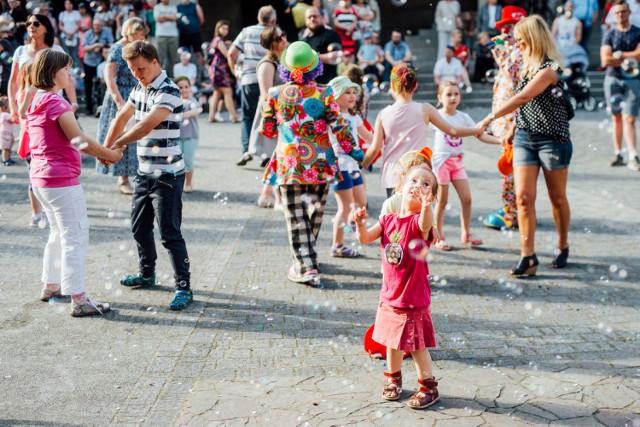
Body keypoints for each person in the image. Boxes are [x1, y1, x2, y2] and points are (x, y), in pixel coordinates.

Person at [477, 15, 574, 276]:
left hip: (552, 140)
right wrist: (511, 128)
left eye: (520, 40)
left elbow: (524, 96)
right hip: (524, 139)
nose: (517, 44)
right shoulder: (526, 66)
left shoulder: (550, 68)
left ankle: (563, 244)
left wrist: (490, 117)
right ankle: (528, 256)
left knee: (556, 198)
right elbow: (525, 106)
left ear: (533, 39)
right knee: (523, 198)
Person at [28, 49, 122, 317]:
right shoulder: (58, 104)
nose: (70, 74)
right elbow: (79, 140)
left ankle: (51, 284)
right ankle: (79, 298)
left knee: (57, 233)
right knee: (75, 236)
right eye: (66, 69)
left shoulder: (37, 101)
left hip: (42, 180)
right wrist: (110, 154)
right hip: (61, 181)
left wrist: (101, 154)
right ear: (52, 72)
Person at [261, 41, 362, 285]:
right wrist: (353, 151)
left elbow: (267, 130)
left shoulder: (275, 94)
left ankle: (305, 266)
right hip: (321, 163)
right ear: (315, 67)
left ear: (285, 68)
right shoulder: (325, 92)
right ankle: (307, 260)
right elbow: (340, 126)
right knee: (314, 213)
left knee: (296, 216)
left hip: (290, 163)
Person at [104, 40, 193, 310]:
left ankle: (184, 287)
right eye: (132, 70)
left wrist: (117, 146)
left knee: (169, 233)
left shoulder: (169, 90)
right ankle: (147, 274)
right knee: (139, 228)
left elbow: (144, 126)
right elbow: (121, 118)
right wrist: (106, 148)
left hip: (168, 174)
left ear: (155, 62)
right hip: (144, 173)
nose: (137, 74)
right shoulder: (139, 88)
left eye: (140, 69)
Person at [353, 164, 440, 410]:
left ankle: (428, 387)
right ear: (401, 187)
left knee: (416, 346)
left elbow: (425, 225)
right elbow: (365, 238)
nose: (419, 186)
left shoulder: (418, 223)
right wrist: (360, 224)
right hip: (390, 296)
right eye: (414, 180)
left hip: (412, 297)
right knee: (391, 342)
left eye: (426, 185)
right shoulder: (388, 220)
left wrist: (425, 207)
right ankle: (394, 379)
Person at [361, 64, 480, 197]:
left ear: (392, 86)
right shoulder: (426, 109)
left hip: (393, 176)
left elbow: (375, 148)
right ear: (415, 86)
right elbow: (453, 131)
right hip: (418, 176)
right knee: (417, 217)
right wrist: (477, 130)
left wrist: (363, 165)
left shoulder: (383, 114)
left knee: (396, 217)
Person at [8, 13, 79, 228]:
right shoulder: (20, 51)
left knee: (54, 151)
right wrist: (13, 107)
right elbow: (13, 83)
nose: (31, 26)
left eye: (36, 23)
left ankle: (52, 200)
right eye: (28, 23)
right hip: (27, 105)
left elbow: (68, 80)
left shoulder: (56, 51)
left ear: (46, 27)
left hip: (53, 106)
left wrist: (73, 103)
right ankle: (38, 210)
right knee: (34, 154)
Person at [430, 81, 500, 251]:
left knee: (467, 199)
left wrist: (501, 142)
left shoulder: (464, 117)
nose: (453, 97)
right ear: (440, 97)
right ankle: (438, 236)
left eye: (456, 94)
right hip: (441, 163)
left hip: (457, 161)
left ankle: (466, 233)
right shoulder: (437, 116)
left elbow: (480, 135)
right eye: (448, 94)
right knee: (442, 201)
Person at [482, 5, 526, 231]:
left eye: (513, 26)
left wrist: (502, 50)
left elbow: (512, 73)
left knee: (511, 167)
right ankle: (510, 206)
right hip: (504, 120)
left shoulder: (522, 53)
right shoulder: (509, 48)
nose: (507, 31)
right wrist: (498, 44)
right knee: (509, 166)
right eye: (505, 26)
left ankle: (513, 212)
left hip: (515, 121)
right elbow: (487, 43)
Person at [96, 17, 147, 195]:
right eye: (139, 34)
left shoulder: (139, 47)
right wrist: (119, 100)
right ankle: (123, 178)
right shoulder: (118, 48)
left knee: (137, 136)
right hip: (120, 95)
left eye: (143, 35)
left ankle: (136, 175)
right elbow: (109, 76)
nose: (142, 37)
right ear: (130, 32)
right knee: (122, 136)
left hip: (136, 94)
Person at [327, 75, 373, 258]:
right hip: (339, 167)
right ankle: (337, 245)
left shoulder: (353, 117)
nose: (352, 95)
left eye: (354, 92)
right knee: (344, 207)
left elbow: (368, 137)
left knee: (361, 203)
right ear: (336, 96)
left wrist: (385, 141)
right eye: (347, 92)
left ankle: (354, 228)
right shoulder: (332, 118)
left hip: (353, 166)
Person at [228, 5, 276, 166]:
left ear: (258, 17)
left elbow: (231, 53)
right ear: (273, 20)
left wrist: (234, 72)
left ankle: (246, 151)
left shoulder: (246, 31)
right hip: (269, 78)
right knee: (267, 116)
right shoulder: (275, 32)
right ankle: (266, 155)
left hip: (248, 79)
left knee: (248, 117)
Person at [600, 0, 640, 171]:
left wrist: (619, 54)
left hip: (633, 80)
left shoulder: (638, 32)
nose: (620, 15)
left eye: (623, 12)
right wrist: (629, 57)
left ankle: (633, 155)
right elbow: (605, 59)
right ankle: (618, 153)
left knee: (630, 118)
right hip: (612, 78)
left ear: (629, 12)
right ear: (613, 14)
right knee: (616, 117)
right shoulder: (609, 34)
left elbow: (639, 56)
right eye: (617, 12)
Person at [250, 25, 287, 209]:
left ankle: (266, 194)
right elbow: (267, 95)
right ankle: (276, 197)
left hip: (283, 114)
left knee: (278, 156)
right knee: (277, 156)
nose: (285, 39)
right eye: (281, 37)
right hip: (273, 115)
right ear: (272, 43)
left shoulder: (282, 60)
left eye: (283, 35)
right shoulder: (267, 64)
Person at [208, 20, 240, 123]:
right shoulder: (218, 40)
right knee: (228, 91)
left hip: (216, 68)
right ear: (218, 29)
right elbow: (227, 54)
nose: (226, 30)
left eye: (227, 29)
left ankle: (211, 116)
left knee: (217, 93)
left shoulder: (217, 40)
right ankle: (234, 116)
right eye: (223, 28)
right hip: (219, 69)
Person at [301, 7, 342, 84]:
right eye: (309, 17)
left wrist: (310, 57)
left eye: (315, 16)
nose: (312, 19)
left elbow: (335, 57)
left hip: (327, 84)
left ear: (321, 17)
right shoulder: (303, 39)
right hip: (307, 84)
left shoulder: (332, 35)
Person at [174, 75, 200, 193]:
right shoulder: (174, 102)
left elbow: (196, 110)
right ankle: (178, 183)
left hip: (190, 136)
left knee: (188, 160)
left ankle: (188, 183)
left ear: (190, 87)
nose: (184, 89)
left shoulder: (192, 101)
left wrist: (185, 115)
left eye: (186, 86)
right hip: (177, 136)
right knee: (176, 160)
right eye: (180, 87)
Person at [83, 19, 114, 115]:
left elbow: (112, 45)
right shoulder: (88, 34)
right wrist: (95, 45)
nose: (96, 27)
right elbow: (84, 48)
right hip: (89, 62)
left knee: (102, 85)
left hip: (101, 61)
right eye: (95, 25)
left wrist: (101, 46)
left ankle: (102, 107)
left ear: (102, 25)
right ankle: (89, 108)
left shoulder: (107, 32)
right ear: (92, 25)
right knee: (88, 86)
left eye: (99, 25)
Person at [154, 0, 179, 77]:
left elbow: (175, 18)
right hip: (161, 34)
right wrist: (169, 17)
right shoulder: (157, 7)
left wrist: (163, 17)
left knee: (175, 58)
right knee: (160, 58)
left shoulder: (173, 7)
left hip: (173, 34)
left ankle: (176, 76)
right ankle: (159, 77)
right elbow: (158, 19)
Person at [176, 0, 204, 69]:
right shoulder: (178, 7)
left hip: (195, 33)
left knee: (198, 53)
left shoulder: (195, 5)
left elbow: (202, 19)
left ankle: (200, 73)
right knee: (184, 53)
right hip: (183, 34)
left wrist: (194, 26)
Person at [58, 0, 82, 69]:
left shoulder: (76, 13)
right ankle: (68, 70)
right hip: (64, 36)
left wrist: (72, 33)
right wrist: (67, 33)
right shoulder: (62, 14)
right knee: (66, 54)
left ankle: (77, 71)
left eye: (69, 4)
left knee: (75, 55)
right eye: (66, 4)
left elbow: (78, 25)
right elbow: (60, 25)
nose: (68, 5)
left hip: (75, 36)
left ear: (72, 5)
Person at [0, 96, 14, 165]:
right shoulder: (5, 114)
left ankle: (8, 158)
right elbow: (12, 120)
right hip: (5, 133)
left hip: (6, 133)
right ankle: (5, 160)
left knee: (7, 147)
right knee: (6, 148)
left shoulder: (3, 114)